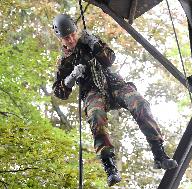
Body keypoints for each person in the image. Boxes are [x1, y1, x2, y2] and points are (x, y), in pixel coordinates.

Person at [52, 14, 178, 187]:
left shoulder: (89, 40)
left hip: (114, 83)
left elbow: (110, 59)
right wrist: (71, 77)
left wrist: (95, 45)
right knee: (95, 116)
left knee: (140, 104)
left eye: (73, 34)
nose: (72, 39)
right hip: (93, 92)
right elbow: (60, 92)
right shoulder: (64, 61)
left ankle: (159, 154)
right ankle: (110, 166)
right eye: (67, 37)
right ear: (60, 39)